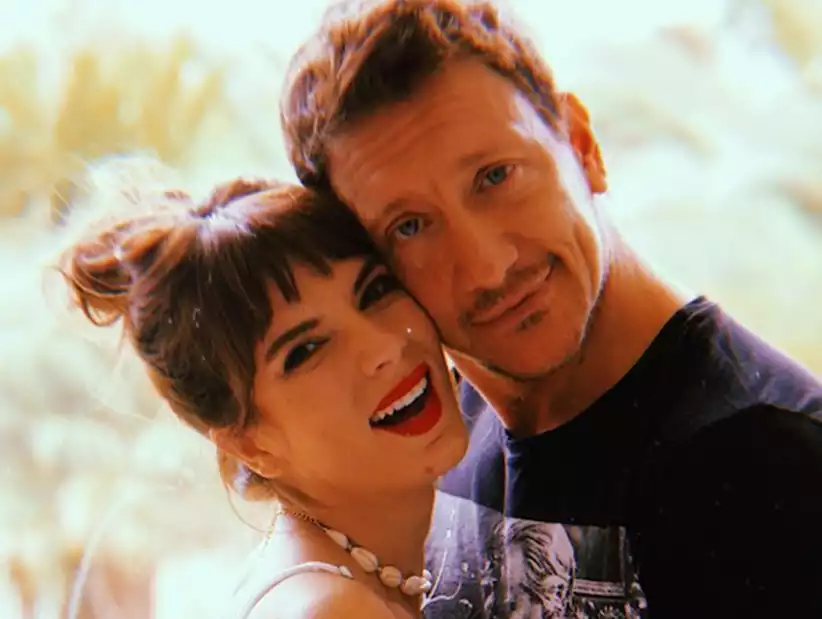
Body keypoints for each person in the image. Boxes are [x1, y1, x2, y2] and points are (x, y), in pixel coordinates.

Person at [278, 1, 822, 617]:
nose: (487, 267)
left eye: (494, 176)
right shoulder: (442, 430)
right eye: (409, 227)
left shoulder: (765, 465)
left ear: (582, 146)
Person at [56, 159, 471, 619]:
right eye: (306, 350)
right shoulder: (328, 609)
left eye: (373, 292)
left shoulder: (410, 553)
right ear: (250, 444)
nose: (384, 347)